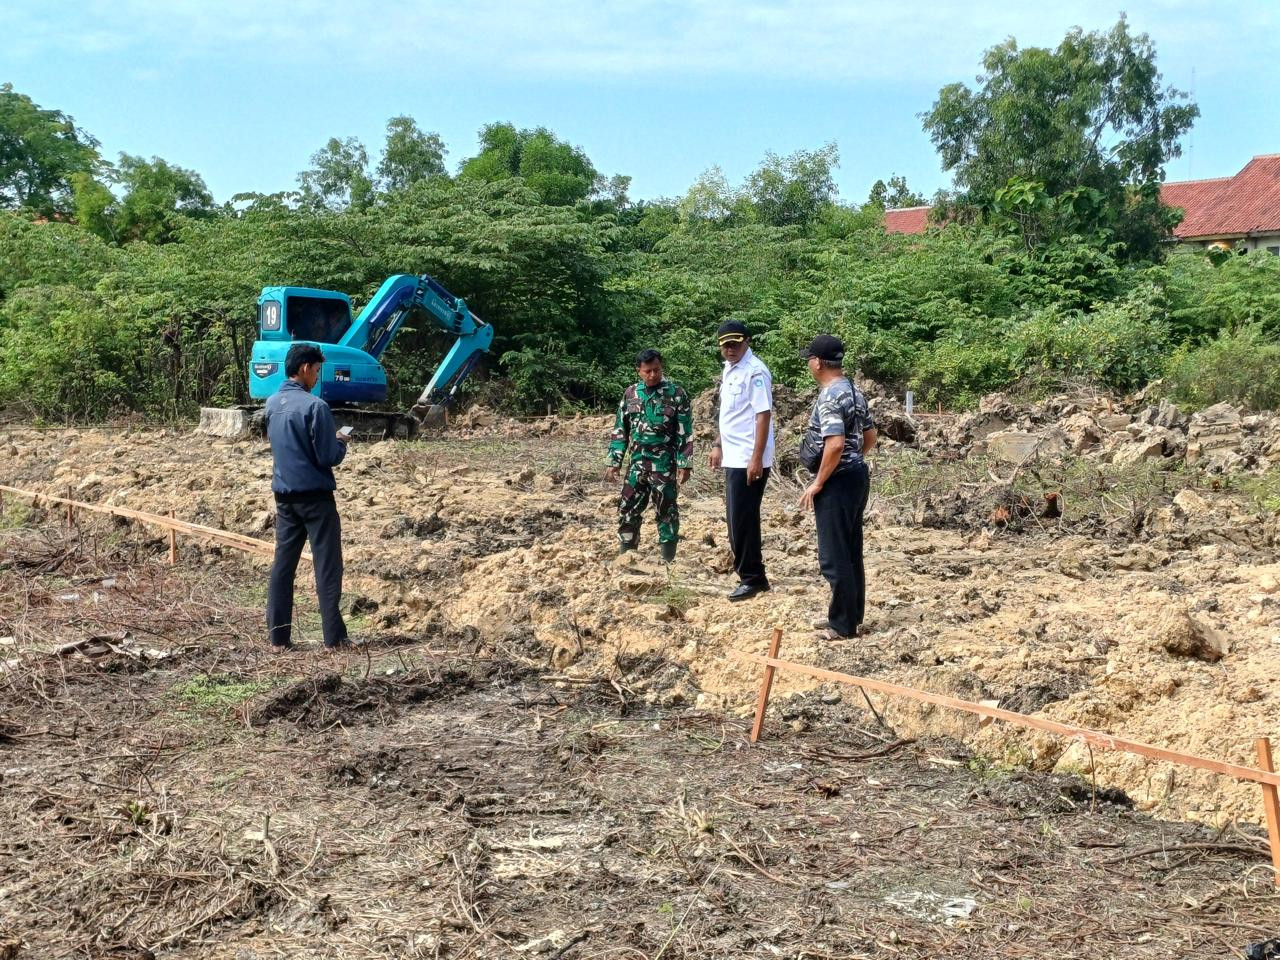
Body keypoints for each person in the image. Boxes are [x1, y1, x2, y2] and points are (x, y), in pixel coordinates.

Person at [265, 343, 352, 651]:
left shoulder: (272, 404)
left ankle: (278, 637)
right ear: (304, 369)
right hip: (316, 499)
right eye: (316, 370)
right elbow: (328, 455)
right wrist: (342, 442)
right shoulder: (316, 407)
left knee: (283, 566)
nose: (317, 377)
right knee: (327, 566)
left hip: (284, 498)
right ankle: (334, 638)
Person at [797, 334, 878, 640]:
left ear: (818, 362)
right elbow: (870, 436)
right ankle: (850, 614)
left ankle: (842, 625)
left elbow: (834, 443)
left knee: (833, 554)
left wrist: (819, 481)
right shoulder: (854, 392)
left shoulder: (830, 396)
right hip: (856, 476)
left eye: (810, 359)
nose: (809, 364)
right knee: (850, 549)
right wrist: (853, 461)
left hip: (838, 481)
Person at [708, 320, 775, 601]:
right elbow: (730, 415)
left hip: (748, 457)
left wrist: (756, 458)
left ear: (747, 341)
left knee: (743, 519)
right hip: (732, 456)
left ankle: (753, 578)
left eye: (735, 343)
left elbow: (763, 415)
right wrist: (718, 445)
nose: (730, 348)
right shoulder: (729, 369)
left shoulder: (755, 371)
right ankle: (747, 573)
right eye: (725, 344)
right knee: (735, 520)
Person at [606, 349, 693, 563]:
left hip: (663, 465)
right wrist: (614, 461)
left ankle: (667, 561)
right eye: (647, 371)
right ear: (639, 371)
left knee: (666, 511)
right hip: (636, 465)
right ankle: (626, 557)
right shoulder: (631, 394)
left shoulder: (676, 393)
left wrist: (685, 463)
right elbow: (621, 430)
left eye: (656, 370)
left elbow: (684, 431)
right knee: (627, 508)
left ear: (661, 367)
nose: (652, 375)